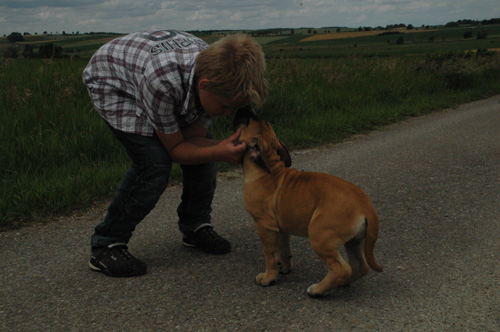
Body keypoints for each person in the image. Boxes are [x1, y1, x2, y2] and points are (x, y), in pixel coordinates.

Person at [82, 30, 267, 277]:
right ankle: (106, 243)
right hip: (114, 83)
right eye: (225, 106)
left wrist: (216, 150)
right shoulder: (162, 81)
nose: (227, 113)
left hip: (160, 78)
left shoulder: (215, 76)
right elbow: (177, 149)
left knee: (207, 155)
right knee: (153, 164)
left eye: (235, 107)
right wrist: (218, 151)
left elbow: (193, 139)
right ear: (204, 86)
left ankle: (195, 227)